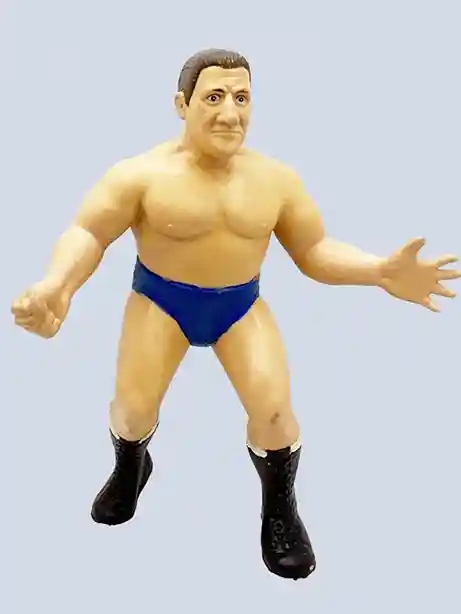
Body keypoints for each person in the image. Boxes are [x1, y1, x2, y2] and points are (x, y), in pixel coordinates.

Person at [11, 48, 460, 581]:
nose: (230, 113)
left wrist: (378, 270)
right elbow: (88, 232)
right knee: (132, 412)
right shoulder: (140, 175)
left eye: (242, 98)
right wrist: (57, 285)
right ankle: (130, 466)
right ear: (182, 104)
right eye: (215, 97)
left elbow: (314, 250)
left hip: (238, 305)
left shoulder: (275, 180)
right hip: (160, 301)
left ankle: (280, 508)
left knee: (275, 412)